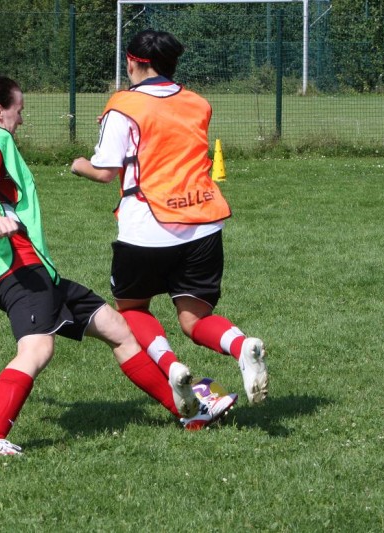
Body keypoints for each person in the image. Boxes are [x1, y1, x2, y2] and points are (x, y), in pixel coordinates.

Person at [0, 76, 238, 456]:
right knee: (37, 349)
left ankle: (189, 413)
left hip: (34, 271)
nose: (22, 118)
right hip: (19, 270)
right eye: (19, 110)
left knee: (118, 329)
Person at [71, 30, 269, 405]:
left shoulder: (123, 104)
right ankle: (241, 345)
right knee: (195, 320)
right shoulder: (198, 102)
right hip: (203, 223)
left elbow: (105, 171)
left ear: (132, 62)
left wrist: (78, 164)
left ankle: (171, 366)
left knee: (132, 309)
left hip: (147, 226)